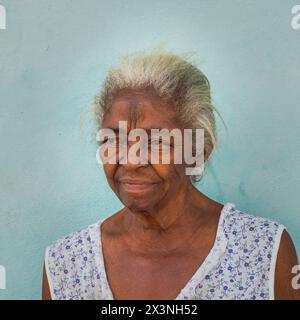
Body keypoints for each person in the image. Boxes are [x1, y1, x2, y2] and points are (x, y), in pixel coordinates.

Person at [42, 50, 299, 300]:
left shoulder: (262, 252)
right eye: (114, 139)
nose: (131, 161)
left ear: (198, 152)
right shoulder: (68, 264)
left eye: (156, 142)